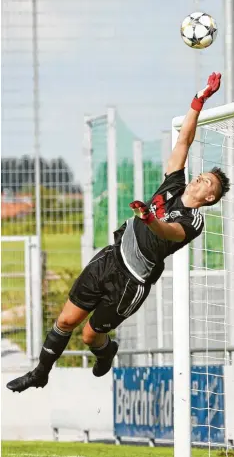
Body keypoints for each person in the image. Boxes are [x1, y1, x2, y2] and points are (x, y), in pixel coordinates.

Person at [7, 72, 230, 393]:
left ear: (210, 197)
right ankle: (40, 373)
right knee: (67, 320)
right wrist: (200, 99)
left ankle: (105, 349)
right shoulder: (174, 184)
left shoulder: (195, 220)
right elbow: (184, 141)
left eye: (209, 183)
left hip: (131, 282)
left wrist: (148, 219)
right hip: (111, 257)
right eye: (203, 176)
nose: (201, 180)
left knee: (89, 336)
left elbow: (169, 233)